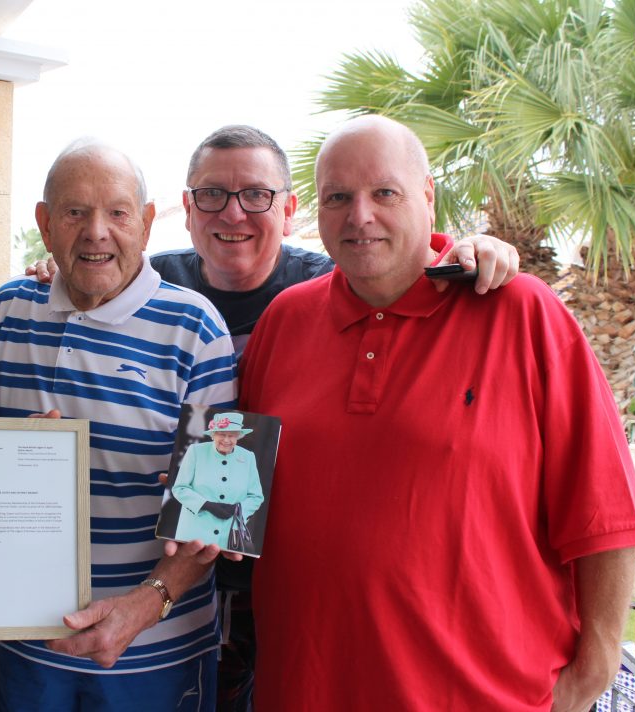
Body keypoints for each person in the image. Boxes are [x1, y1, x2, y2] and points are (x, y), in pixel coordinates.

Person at [30, 123, 522, 711]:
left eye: (256, 196)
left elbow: (403, 269)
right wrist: (56, 268)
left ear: (288, 210)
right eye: (212, 194)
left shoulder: (331, 285)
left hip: (291, 595)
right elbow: (89, 265)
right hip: (194, 587)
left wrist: (470, 250)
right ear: (186, 210)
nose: (233, 213)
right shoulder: (152, 287)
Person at [237, 115, 635, 711]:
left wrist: (593, 672)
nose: (360, 216)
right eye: (338, 197)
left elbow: (604, 511)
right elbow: (237, 490)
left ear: (427, 196)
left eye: (385, 192)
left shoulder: (519, 312)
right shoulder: (284, 320)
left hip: (486, 696)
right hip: (303, 689)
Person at [0, 139, 236, 711]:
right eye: (74, 211)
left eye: (117, 211)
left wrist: (144, 605)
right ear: (44, 222)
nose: (96, 231)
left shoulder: (197, 326)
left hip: (157, 652)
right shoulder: (7, 309)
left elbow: (220, 514)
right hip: (28, 650)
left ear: (147, 221)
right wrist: (8, 461)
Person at [172, 412, 263, 552]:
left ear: (238, 436)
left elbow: (256, 496)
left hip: (227, 537)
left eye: (232, 435)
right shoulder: (196, 451)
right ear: (213, 434)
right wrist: (206, 505)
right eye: (222, 434)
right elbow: (180, 488)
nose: (227, 440)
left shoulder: (248, 457)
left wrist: (238, 510)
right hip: (192, 532)